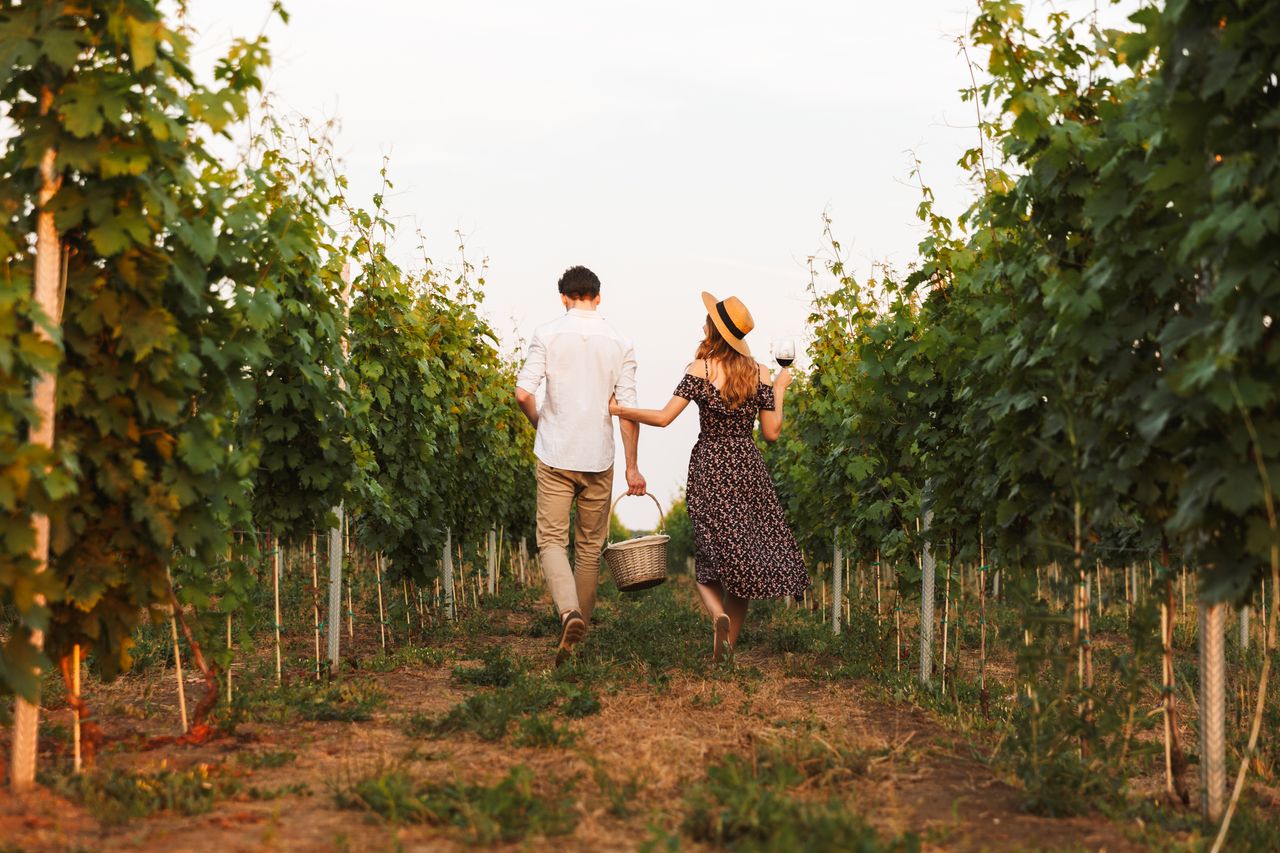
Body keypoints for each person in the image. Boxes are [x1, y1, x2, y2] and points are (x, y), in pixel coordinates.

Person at [610, 292, 808, 662]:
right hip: (746, 466)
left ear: (714, 331)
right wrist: (779, 390)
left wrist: (619, 408)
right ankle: (726, 649)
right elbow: (772, 433)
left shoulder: (699, 369)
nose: (703, 324)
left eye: (707, 320)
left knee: (709, 558)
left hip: (710, 465)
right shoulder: (761, 372)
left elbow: (664, 418)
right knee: (744, 557)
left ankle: (717, 616)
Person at [515, 266, 647, 665]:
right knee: (590, 550)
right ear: (598, 297)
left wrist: (541, 423)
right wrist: (632, 468)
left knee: (552, 540)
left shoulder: (547, 333)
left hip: (556, 453)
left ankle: (568, 612)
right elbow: (627, 411)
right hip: (598, 456)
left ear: (564, 298)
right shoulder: (621, 342)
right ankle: (577, 640)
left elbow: (523, 393)